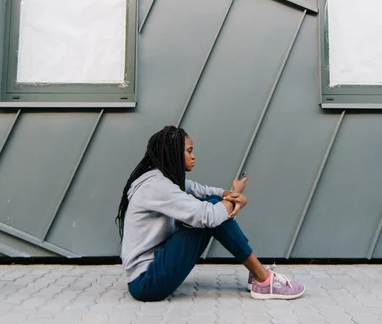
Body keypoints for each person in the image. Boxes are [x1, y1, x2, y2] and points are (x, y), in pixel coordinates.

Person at [116, 125, 305, 302]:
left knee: (213, 204)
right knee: (211, 211)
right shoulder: (156, 186)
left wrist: (230, 194)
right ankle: (262, 279)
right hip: (147, 283)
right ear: (172, 153)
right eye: (189, 151)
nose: (194, 156)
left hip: (153, 270)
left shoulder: (162, 178)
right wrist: (237, 198)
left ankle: (258, 274)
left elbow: (201, 190)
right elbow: (209, 215)